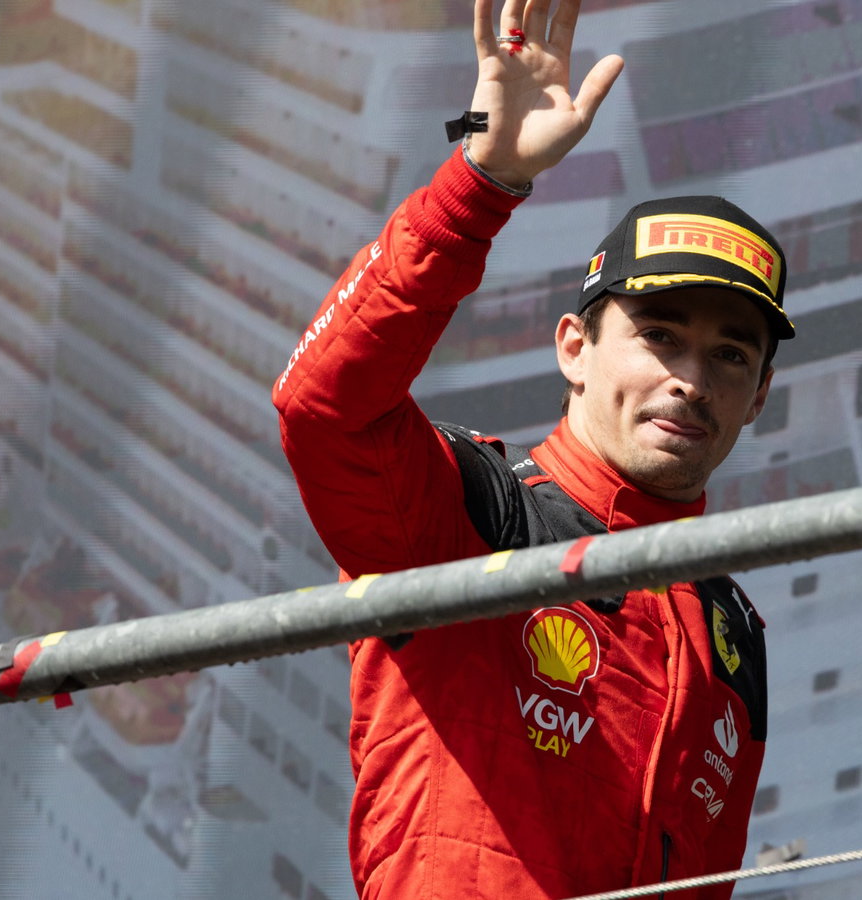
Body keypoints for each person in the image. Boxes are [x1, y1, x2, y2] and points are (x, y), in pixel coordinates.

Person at [271, 1, 793, 897]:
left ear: (757, 399)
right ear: (573, 349)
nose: (691, 380)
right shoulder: (472, 513)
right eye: (660, 336)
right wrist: (482, 180)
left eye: (730, 355)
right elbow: (324, 409)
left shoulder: (731, 628)